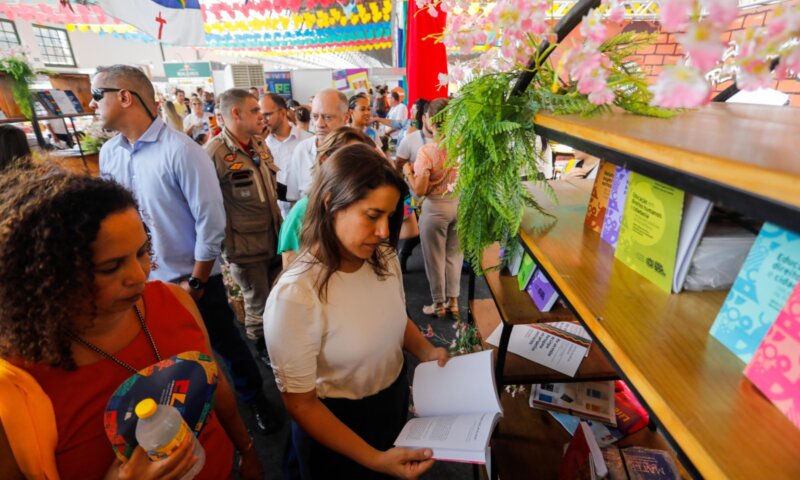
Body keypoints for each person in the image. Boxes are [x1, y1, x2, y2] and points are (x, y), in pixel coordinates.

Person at [0, 170, 262, 480]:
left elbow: (212, 381)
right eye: (111, 267)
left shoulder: (174, 300)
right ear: (47, 277)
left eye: (141, 252)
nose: (139, 276)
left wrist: (245, 449)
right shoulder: (16, 385)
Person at [92, 64, 275, 433]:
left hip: (190, 279)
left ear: (125, 97)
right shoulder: (110, 153)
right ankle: (187, 421)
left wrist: (196, 282)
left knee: (223, 344)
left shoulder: (183, 151)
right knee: (163, 357)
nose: (92, 104)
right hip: (139, 283)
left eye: (99, 95)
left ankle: (256, 401)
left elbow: (210, 221)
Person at [264, 143, 448, 478]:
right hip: (335, 427)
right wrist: (375, 459)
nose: (382, 232)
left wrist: (426, 350)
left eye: (389, 217)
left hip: (390, 402)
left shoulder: (382, 257)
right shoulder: (295, 295)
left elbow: (393, 316)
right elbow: (301, 404)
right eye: (372, 215)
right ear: (330, 203)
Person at [205, 88, 283, 362]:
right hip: (245, 247)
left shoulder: (259, 144)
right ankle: (261, 349)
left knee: (278, 298)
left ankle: (277, 341)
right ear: (235, 113)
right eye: (254, 110)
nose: (261, 116)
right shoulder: (214, 153)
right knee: (258, 303)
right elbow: (207, 206)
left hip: (274, 236)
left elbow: (271, 189)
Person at [277, 126, 375, 266]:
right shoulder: (302, 213)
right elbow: (291, 274)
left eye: (365, 161)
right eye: (350, 160)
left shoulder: (364, 203)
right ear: (325, 160)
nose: (360, 169)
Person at [403, 98, 462, 317]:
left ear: (429, 120)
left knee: (434, 257)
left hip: (435, 209)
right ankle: (454, 302)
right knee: (455, 256)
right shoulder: (461, 144)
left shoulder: (427, 151)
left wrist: (408, 172)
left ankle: (438, 305)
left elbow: (419, 189)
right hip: (459, 204)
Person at [284, 89, 350, 203]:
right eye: (315, 117)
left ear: (345, 118)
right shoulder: (302, 150)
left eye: (328, 117)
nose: (319, 124)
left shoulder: (358, 151)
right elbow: (294, 200)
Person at [260, 92, 312, 218]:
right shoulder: (260, 145)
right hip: (273, 219)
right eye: (260, 115)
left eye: (267, 114)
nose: (263, 120)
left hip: (303, 217)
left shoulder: (308, 141)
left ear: (283, 113)